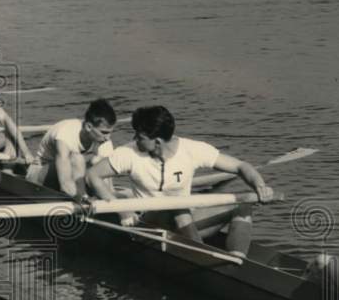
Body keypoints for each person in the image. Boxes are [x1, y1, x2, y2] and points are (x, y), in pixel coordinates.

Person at [85, 105, 274, 255]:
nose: (135, 139)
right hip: (149, 226)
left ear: (157, 141)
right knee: (176, 203)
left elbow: (242, 167)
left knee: (242, 205)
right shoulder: (128, 153)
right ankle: (203, 257)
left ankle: (237, 261)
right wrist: (122, 210)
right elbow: (93, 175)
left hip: (185, 221)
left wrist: (260, 185)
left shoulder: (192, 149)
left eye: (140, 137)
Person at [25, 99, 116, 196]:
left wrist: (110, 199)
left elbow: (109, 187)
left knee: (99, 161)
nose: (108, 138)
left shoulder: (105, 142)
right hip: (38, 176)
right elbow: (65, 184)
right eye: (104, 132)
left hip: (75, 177)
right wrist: (85, 201)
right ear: (88, 127)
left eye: (110, 132)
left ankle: (84, 195)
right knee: (77, 159)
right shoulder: (65, 134)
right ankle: (82, 197)